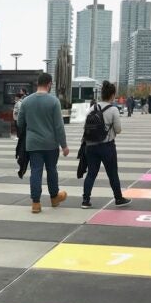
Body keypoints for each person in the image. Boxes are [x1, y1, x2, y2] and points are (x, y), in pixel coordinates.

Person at [17, 73, 69, 214]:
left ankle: (36, 203)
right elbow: (59, 126)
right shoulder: (53, 101)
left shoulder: (26, 102)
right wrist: (64, 145)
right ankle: (54, 197)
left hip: (33, 144)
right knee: (52, 169)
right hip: (51, 144)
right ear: (49, 84)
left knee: (35, 171)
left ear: (37, 84)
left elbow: (20, 123)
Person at [81, 81, 131, 209]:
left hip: (90, 146)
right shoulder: (113, 109)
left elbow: (85, 127)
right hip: (107, 146)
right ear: (112, 95)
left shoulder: (92, 108)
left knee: (91, 173)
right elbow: (118, 129)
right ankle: (118, 198)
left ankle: (85, 200)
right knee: (112, 173)